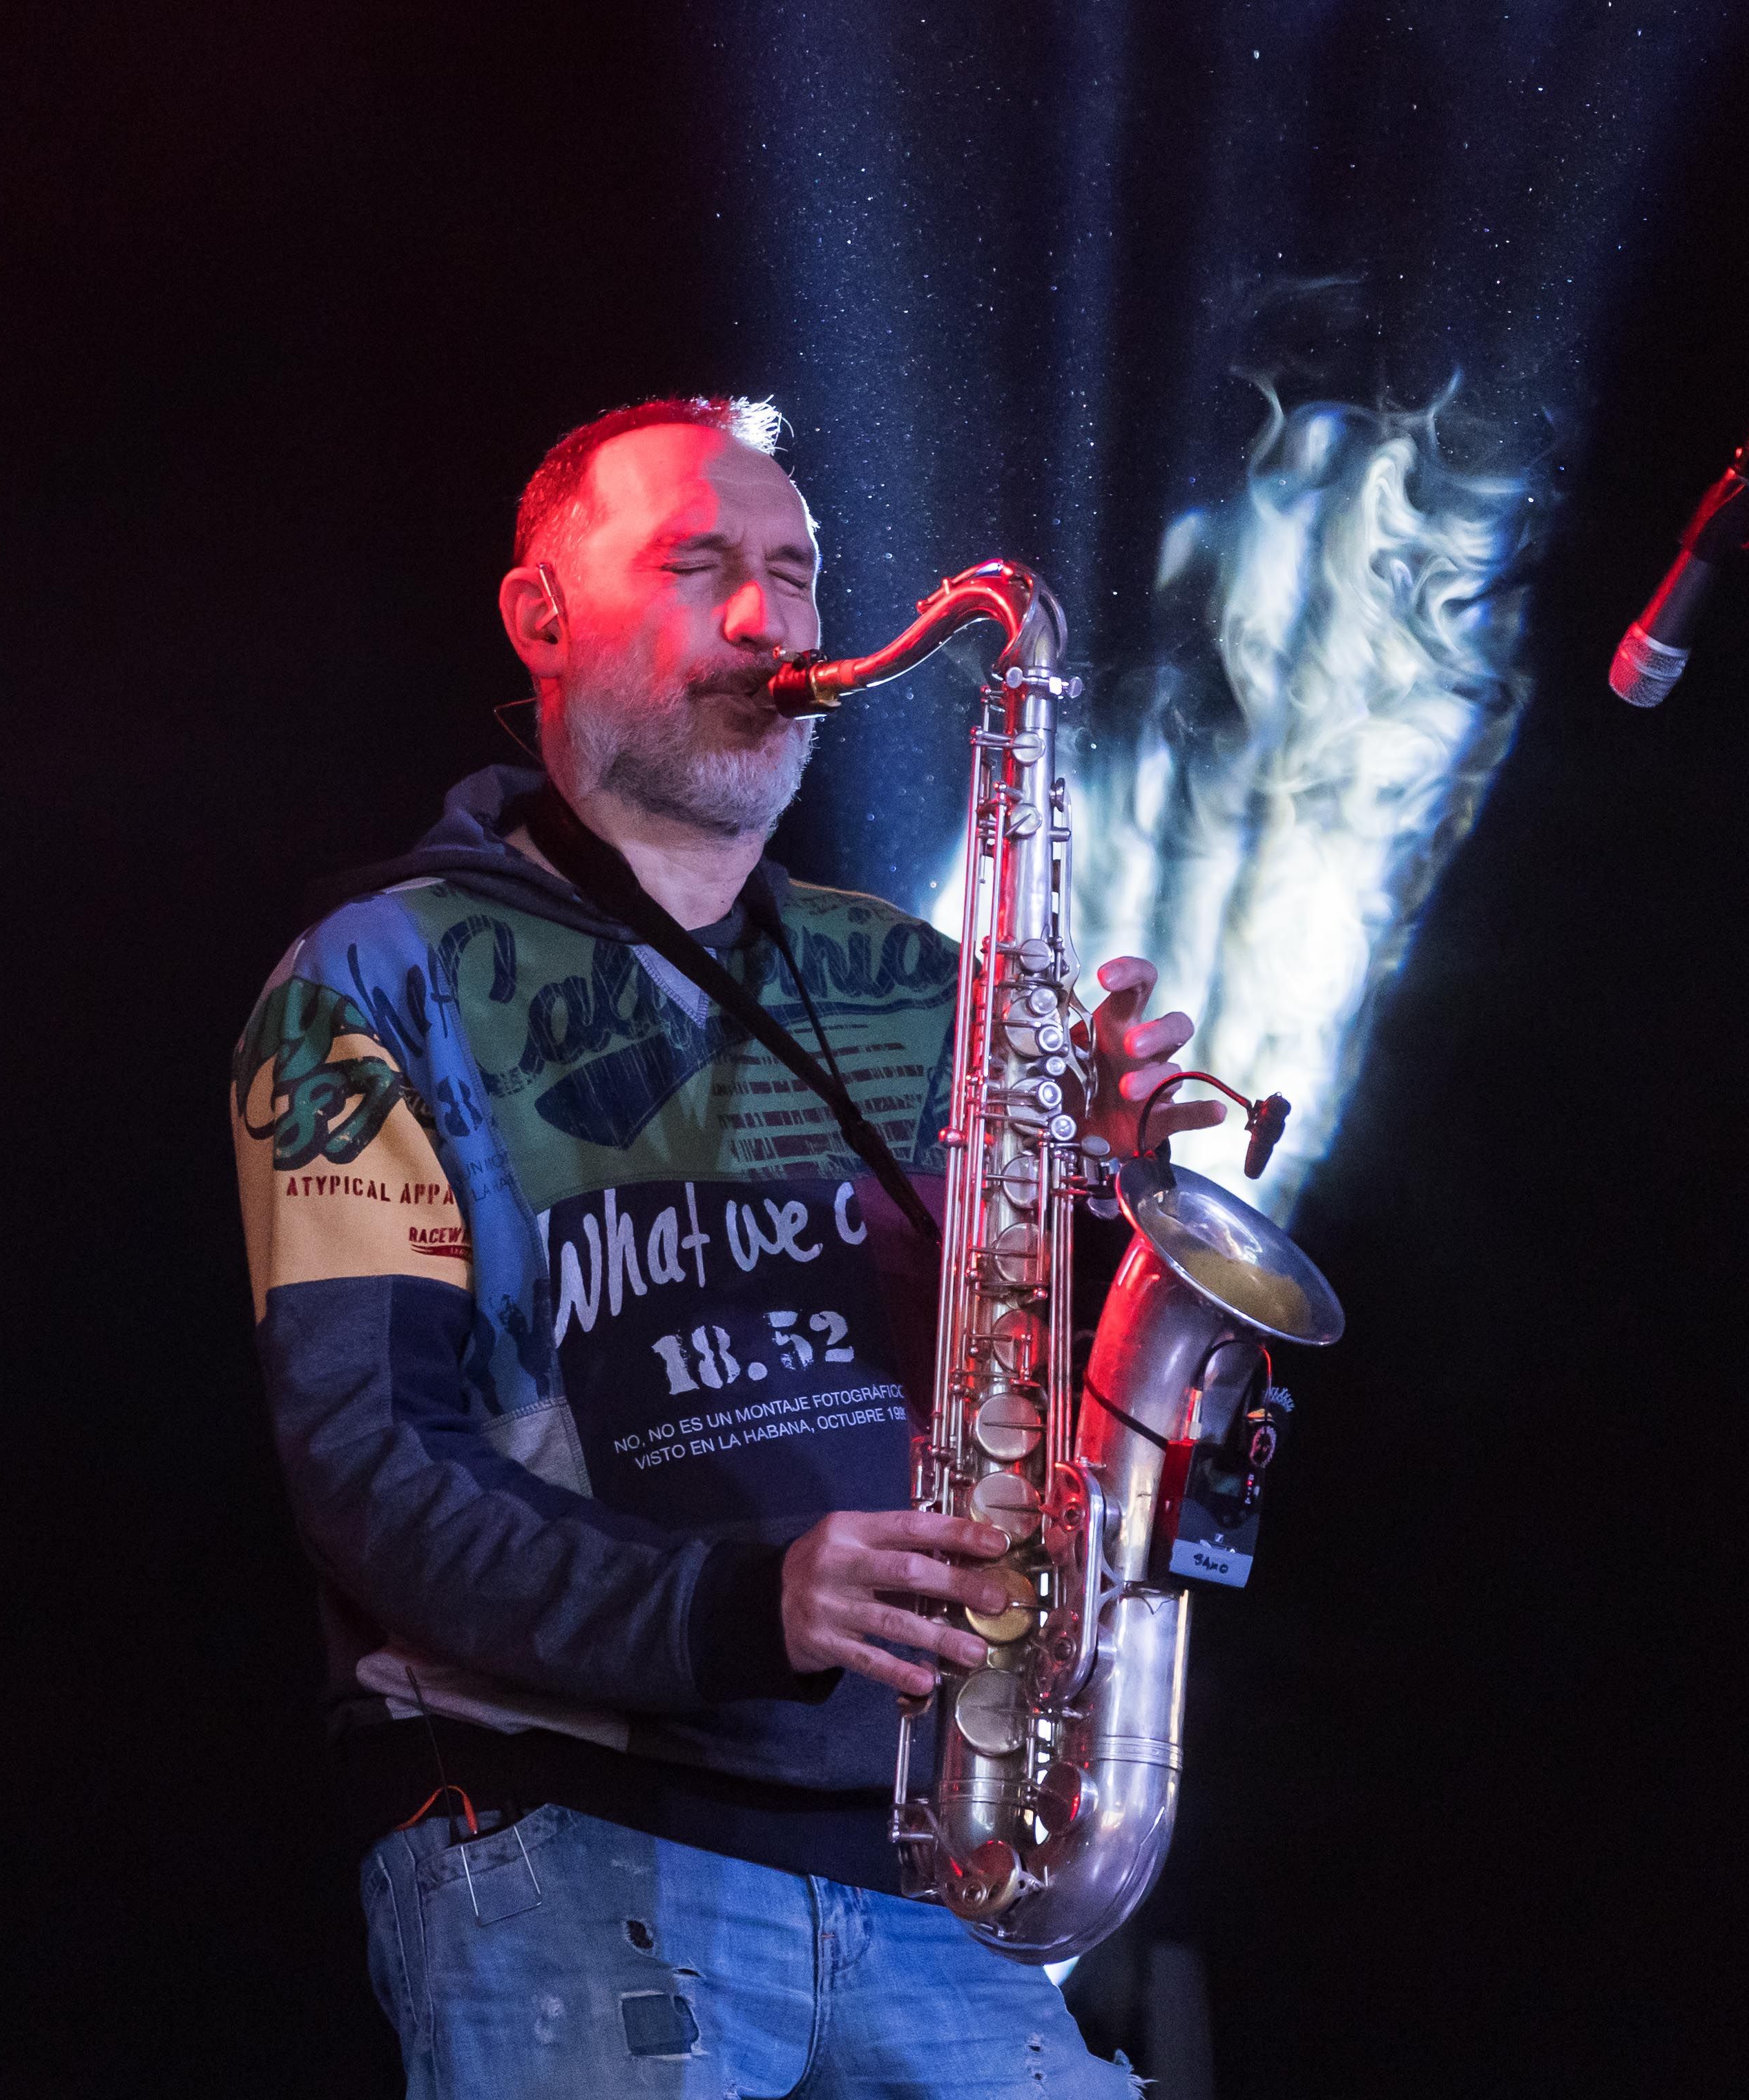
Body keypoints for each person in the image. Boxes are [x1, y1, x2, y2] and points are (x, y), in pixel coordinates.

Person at [231, 395, 1221, 2097]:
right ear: (542, 617)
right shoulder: (369, 981)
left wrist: (1108, 1192)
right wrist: (746, 1603)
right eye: (698, 566)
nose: (769, 620)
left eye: (795, 570)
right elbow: (373, 1466)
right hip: (567, 1844)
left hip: (925, 1868)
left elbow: (1013, 1378)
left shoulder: (919, 979)